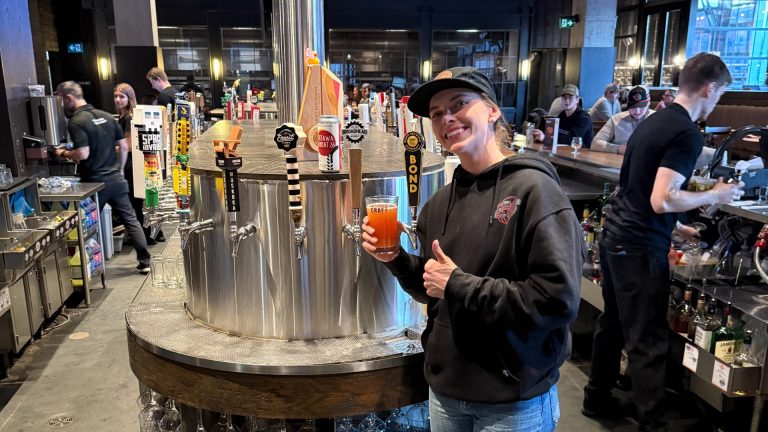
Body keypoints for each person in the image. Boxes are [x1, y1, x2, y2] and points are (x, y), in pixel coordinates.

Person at [362, 66, 583, 432]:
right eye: (436, 114)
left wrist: (458, 284)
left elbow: (558, 300)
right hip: (448, 393)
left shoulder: (535, 192)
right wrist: (398, 261)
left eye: (459, 104)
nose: (447, 118)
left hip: (512, 400)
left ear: (492, 110)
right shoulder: (441, 202)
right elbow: (434, 289)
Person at [582, 53, 743, 432]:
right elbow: (662, 198)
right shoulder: (686, 132)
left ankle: (596, 398)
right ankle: (653, 424)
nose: (718, 100)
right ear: (710, 88)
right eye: (721, 94)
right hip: (637, 247)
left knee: (615, 324)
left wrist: (675, 227)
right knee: (646, 338)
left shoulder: (654, 121)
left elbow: (638, 190)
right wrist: (715, 195)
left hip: (616, 236)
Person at [54, 81, 151, 274]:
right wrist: (120, 170)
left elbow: (83, 153)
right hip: (115, 178)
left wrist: (64, 153)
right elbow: (124, 147)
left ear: (69, 98)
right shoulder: (107, 117)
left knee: (85, 224)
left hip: (93, 183)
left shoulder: (76, 122)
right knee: (131, 219)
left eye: (61, 100)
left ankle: (84, 268)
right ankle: (145, 261)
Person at [114, 83, 165, 244]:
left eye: (121, 96)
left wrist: (110, 147)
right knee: (141, 201)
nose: (117, 100)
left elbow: (128, 145)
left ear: (130, 99)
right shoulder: (125, 117)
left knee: (136, 202)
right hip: (136, 163)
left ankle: (145, 235)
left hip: (130, 164)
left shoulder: (128, 118)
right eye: (115, 96)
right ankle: (153, 233)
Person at [591, 86, 655, 154]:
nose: (637, 112)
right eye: (633, 107)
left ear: (649, 102)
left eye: (642, 107)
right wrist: (618, 149)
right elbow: (595, 143)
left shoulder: (658, 119)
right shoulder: (616, 119)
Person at [535, 84, 594, 148]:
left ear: (577, 100)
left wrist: (545, 138)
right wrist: (540, 135)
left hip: (580, 154)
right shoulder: (562, 115)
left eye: (570, 98)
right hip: (563, 152)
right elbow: (554, 134)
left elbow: (571, 140)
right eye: (564, 98)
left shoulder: (584, 118)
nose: (567, 101)